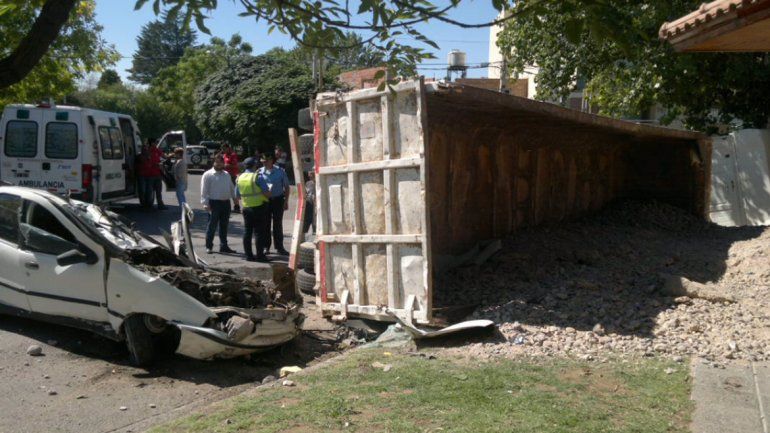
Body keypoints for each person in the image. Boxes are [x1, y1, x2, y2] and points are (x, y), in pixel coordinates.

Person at [235, 157, 271, 262]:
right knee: (259, 232)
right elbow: (267, 193)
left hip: (246, 208)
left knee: (247, 232)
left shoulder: (239, 177)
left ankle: (249, 256)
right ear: (254, 165)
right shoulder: (257, 177)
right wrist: (269, 193)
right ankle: (260, 256)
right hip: (259, 207)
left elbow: (237, 196)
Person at [200, 155, 237, 254]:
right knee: (212, 226)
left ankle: (224, 246)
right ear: (213, 163)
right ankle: (209, 246)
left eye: (221, 162)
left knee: (224, 226)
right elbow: (204, 190)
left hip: (226, 203)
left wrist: (235, 199)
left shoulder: (226, 174)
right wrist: (205, 203)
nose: (220, 164)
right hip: (213, 203)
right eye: (217, 162)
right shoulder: (208, 174)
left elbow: (231, 187)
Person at [258, 153, 291, 255]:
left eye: (266, 161)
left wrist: (286, 201)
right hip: (265, 200)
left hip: (278, 200)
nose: (264, 163)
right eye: (262, 162)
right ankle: (266, 247)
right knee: (265, 224)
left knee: (277, 224)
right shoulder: (259, 172)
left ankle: (279, 247)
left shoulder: (280, 171)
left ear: (271, 160)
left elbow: (286, 187)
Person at [144, 138, 167, 210]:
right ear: (151, 143)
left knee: (158, 190)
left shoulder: (156, 150)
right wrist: (156, 164)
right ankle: (148, 205)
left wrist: (170, 155)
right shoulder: (147, 151)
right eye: (155, 142)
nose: (156, 144)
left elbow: (164, 156)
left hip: (157, 174)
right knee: (149, 191)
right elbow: (146, 162)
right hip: (150, 174)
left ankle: (160, 205)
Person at [221, 143, 240, 213]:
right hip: (225, 175)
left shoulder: (233, 155)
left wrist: (226, 165)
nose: (223, 150)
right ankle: (224, 206)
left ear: (228, 148)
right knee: (224, 190)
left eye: (224, 149)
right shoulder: (224, 155)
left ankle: (237, 206)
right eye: (222, 149)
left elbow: (235, 166)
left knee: (233, 191)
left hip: (232, 175)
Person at [303, 171, 316, 235]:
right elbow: (305, 193)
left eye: (311, 174)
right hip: (309, 203)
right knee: (307, 219)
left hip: (316, 204)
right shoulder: (308, 183)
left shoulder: (318, 182)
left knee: (315, 220)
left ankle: (315, 231)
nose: (309, 176)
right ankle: (304, 233)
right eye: (309, 174)